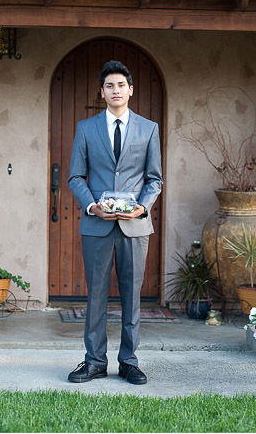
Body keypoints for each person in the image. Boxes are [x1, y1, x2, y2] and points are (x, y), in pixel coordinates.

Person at [66, 60, 162, 385]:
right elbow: (76, 176)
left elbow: (155, 180)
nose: (116, 90)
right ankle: (94, 361)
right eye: (110, 86)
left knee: (132, 295)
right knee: (95, 295)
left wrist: (142, 208)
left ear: (130, 90)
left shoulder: (149, 129)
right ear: (102, 91)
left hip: (135, 227)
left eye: (121, 85)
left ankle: (129, 362)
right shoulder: (85, 128)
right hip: (97, 225)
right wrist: (92, 206)